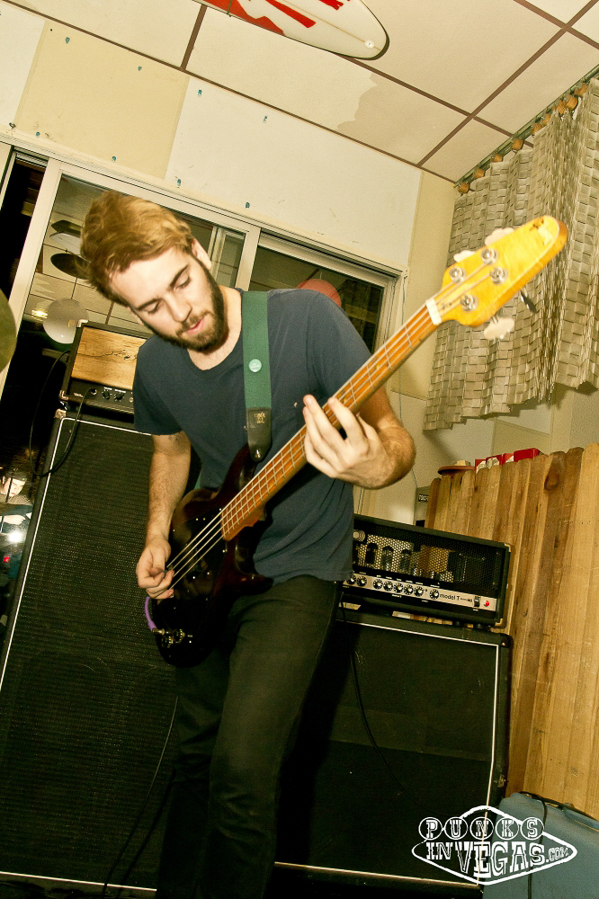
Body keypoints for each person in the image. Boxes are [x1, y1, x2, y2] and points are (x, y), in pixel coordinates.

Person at [80, 191, 415, 899]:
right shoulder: (156, 365)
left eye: (181, 282)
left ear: (200, 252)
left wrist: (371, 465)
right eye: (151, 307)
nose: (179, 313)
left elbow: (393, 439)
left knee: (240, 770)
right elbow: (171, 447)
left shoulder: (306, 322)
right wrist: (156, 534)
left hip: (297, 571)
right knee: (196, 759)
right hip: (204, 568)